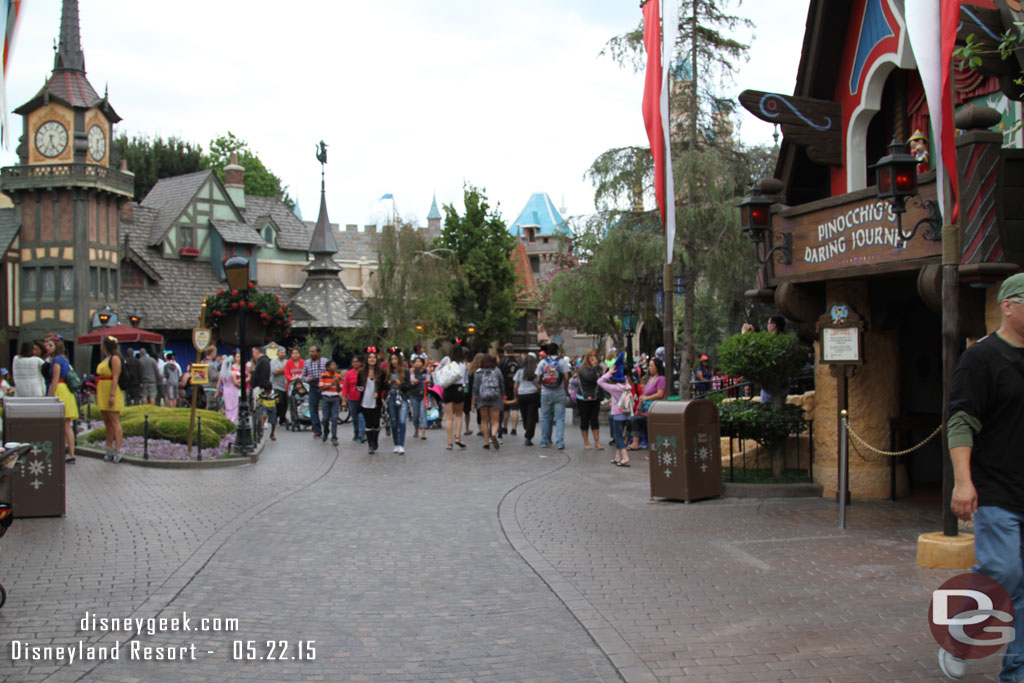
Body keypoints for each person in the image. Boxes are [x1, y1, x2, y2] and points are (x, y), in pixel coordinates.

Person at [941, 273, 1024, 682]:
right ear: (1008, 306)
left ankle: (1017, 672)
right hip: (995, 488)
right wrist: (962, 481)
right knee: (1005, 570)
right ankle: (958, 633)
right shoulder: (981, 357)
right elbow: (960, 421)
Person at [44, 338, 78, 464]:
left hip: (60, 389)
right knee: (66, 424)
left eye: (50, 345)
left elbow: (55, 379)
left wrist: (49, 396)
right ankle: (68, 453)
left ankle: (70, 453)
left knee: (65, 425)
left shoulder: (57, 360)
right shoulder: (64, 359)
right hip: (66, 391)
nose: (48, 347)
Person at [598, 353, 632, 467]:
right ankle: (618, 457)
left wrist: (609, 373)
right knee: (620, 435)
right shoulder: (627, 385)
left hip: (617, 414)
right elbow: (624, 378)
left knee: (618, 436)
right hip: (626, 413)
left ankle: (625, 457)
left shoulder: (614, 388)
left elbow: (600, 381)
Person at [95, 336, 125, 463]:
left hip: (110, 389)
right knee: (107, 422)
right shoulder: (105, 359)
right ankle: (109, 448)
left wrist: (112, 394)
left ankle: (118, 448)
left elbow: (115, 377)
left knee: (114, 421)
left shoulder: (115, 358)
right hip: (102, 389)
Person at [537, 343, 571, 449]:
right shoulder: (562, 361)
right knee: (560, 418)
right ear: (557, 351)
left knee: (545, 417)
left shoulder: (542, 362)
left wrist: (541, 387)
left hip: (546, 393)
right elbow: (566, 377)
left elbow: (538, 379)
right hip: (559, 392)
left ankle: (544, 441)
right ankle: (559, 442)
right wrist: (565, 389)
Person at [628, 358, 666, 451]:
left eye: (652, 366)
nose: (650, 368)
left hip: (655, 408)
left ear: (657, 367)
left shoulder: (661, 379)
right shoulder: (651, 378)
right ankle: (632, 442)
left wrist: (646, 398)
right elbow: (645, 393)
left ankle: (636, 443)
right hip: (646, 408)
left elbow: (660, 394)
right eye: (649, 366)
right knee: (632, 419)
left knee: (636, 420)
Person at [472, 353, 504, 450]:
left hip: (482, 399)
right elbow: (502, 385)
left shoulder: (478, 373)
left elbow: (475, 389)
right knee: (495, 421)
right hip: (495, 398)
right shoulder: (497, 371)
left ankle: (486, 441)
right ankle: (494, 434)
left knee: (484, 421)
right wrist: (502, 397)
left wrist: (473, 403)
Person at [576, 348, 604, 451]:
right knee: (585, 419)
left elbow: (601, 379)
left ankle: (597, 442)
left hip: (595, 396)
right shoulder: (583, 367)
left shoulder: (598, 368)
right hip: (584, 397)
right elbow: (589, 377)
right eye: (591, 355)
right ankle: (586, 442)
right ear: (587, 357)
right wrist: (594, 367)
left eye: (595, 355)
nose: (593, 358)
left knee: (594, 419)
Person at [440, 345, 467, 450]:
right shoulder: (463, 364)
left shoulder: (447, 361)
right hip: (459, 389)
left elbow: (439, 370)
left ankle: (450, 443)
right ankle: (458, 438)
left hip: (448, 389)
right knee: (459, 415)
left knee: (449, 418)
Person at [384, 351, 411, 454]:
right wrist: (389, 383)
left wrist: (401, 384)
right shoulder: (387, 372)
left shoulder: (406, 371)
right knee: (394, 421)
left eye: (395, 359)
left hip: (402, 397)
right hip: (391, 397)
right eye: (392, 359)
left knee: (402, 421)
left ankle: (401, 444)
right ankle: (396, 444)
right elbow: (384, 386)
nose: (394, 361)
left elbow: (409, 386)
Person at [358, 348, 384, 454]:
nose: (372, 359)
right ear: (367, 359)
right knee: (368, 424)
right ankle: (370, 444)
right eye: (370, 357)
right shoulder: (362, 372)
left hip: (376, 401)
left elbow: (383, 385)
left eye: (374, 357)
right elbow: (358, 385)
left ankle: (375, 441)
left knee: (376, 423)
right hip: (365, 400)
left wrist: (378, 392)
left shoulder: (380, 372)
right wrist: (360, 389)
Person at [514, 352, 540, 446]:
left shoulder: (520, 371)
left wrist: (515, 396)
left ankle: (526, 428)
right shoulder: (535, 372)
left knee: (524, 415)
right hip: (532, 394)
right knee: (531, 417)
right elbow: (538, 384)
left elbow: (516, 385)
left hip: (521, 394)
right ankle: (528, 436)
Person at [301, 345, 327, 438]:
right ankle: (317, 430)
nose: (311, 353)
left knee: (325, 409)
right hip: (313, 387)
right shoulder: (307, 362)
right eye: (310, 352)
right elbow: (303, 376)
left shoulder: (325, 361)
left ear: (318, 352)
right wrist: (308, 378)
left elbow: (330, 373)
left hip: (323, 388)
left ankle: (326, 427)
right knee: (313, 409)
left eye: (313, 351)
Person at [318, 359, 343, 445]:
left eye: (335, 365)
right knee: (325, 419)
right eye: (332, 365)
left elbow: (340, 389)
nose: (334, 367)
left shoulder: (338, 376)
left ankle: (334, 437)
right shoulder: (324, 376)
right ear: (327, 367)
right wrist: (331, 384)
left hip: (335, 398)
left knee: (335, 419)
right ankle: (326, 431)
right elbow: (321, 388)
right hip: (326, 398)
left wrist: (337, 384)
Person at [498, 343, 520, 437]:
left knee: (505, 408)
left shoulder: (503, 361)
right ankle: (514, 429)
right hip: (516, 387)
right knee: (515, 408)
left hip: (505, 387)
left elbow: (498, 374)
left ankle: (505, 427)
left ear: (504, 350)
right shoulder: (518, 361)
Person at [343, 355, 366, 443]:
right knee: (355, 417)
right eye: (353, 362)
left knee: (362, 417)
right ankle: (356, 433)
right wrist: (344, 400)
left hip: (363, 398)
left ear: (361, 363)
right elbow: (345, 387)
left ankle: (362, 434)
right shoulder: (349, 373)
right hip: (352, 398)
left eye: (356, 361)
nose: (355, 363)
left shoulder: (364, 372)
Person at [408, 356, 429, 441]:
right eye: (416, 361)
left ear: (423, 363)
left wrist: (428, 381)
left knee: (423, 413)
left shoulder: (426, 371)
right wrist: (413, 380)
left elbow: (430, 381)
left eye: (419, 361)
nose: (417, 363)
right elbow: (410, 381)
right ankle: (416, 429)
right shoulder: (412, 371)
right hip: (414, 395)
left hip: (424, 395)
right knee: (416, 415)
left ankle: (423, 432)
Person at [221, 351, 242, 423]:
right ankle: (232, 420)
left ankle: (228, 418)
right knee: (234, 407)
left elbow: (218, 384)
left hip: (226, 391)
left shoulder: (222, 374)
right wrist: (240, 384)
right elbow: (235, 383)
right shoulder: (232, 373)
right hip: (233, 391)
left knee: (227, 407)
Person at [200, 346, 220, 412]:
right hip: (211, 388)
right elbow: (214, 376)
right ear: (212, 352)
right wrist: (220, 374)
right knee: (211, 408)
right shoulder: (210, 364)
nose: (216, 354)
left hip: (204, 387)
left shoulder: (202, 362)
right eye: (215, 352)